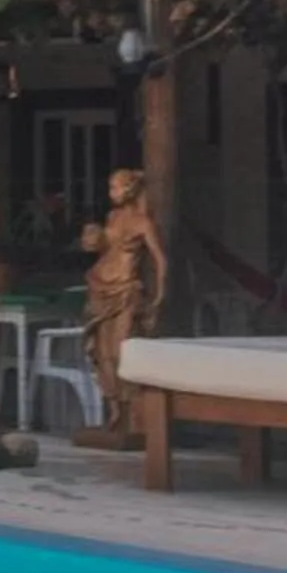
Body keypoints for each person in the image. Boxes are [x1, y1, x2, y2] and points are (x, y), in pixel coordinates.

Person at [78, 167, 167, 445]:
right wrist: (93, 240)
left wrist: (158, 296)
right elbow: (104, 247)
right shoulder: (112, 217)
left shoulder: (143, 223)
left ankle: (133, 416)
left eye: (115, 189)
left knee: (121, 349)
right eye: (110, 189)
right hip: (101, 285)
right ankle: (114, 411)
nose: (111, 194)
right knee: (103, 353)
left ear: (128, 191)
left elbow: (160, 260)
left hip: (126, 289)